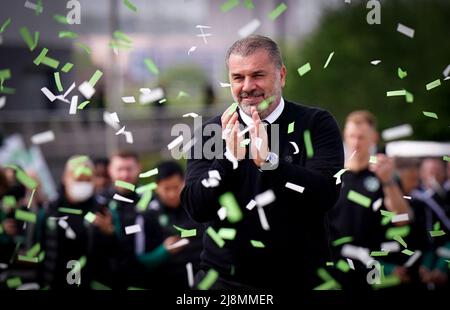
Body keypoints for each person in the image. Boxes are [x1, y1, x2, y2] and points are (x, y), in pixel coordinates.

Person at [181, 35, 344, 289]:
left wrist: (270, 163)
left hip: (301, 280)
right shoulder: (210, 132)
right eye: (238, 77)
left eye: (258, 75)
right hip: (224, 282)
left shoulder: (316, 123)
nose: (247, 86)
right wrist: (227, 161)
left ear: (281, 75)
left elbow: (326, 193)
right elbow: (196, 206)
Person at [327, 111, 412, 289]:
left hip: (375, 268)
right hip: (335, 268)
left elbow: (402, 219)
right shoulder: (334, 175)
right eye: (352, 136)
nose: (356, 142)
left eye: (362, 137)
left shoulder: (384, 175)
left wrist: (387, 181)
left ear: (374, 138)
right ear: (344, 136)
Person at [37, 155, 97, 289]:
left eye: (87, 180)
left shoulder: (102, 211)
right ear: (65, 178)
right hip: (54, 283)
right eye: (78, 179)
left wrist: (108, 232)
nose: (83, 184)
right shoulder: (49, 211)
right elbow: (37, 248)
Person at [144, 161, 204, 289]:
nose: (172, 194)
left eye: (176, 187)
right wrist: (163, 251)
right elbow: (140, 260)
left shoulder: (198, 205)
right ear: (157, 187)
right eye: (166, 188)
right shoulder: (148, 215)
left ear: (184, 182)